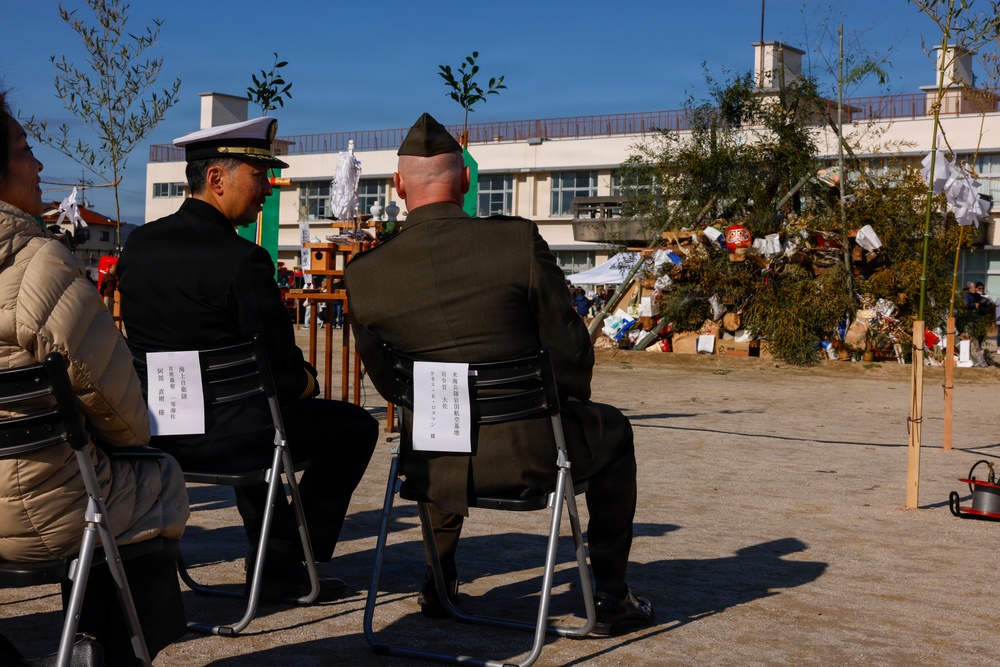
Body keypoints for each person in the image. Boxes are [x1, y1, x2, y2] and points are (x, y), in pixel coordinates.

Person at [346, 112, 653, 636]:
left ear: (397, 186)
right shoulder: (515, 243)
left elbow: (387, 381)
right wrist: (561, 404)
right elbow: (568, 345)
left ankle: (438, 582)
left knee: (433, 422)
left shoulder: (366, 274)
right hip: (532, 453)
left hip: (433, 462)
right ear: (466, 180)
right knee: (615, 429)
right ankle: (608, 594)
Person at [117, 116, 378, 601]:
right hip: (235, 436)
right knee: (350, 426)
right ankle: (285, 557)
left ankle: (275, 561)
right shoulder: (243, 259)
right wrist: (307, 382)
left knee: (254, 415)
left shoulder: (138, 244)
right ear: (217, 179)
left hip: (159, 432)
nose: (267, 192)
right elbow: (277, 366)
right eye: (258, 177)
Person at [0, 89, 189, 661]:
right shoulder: (39, 267)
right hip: (29, 509)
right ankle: (108, 649)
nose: (38, 165)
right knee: (153, 475)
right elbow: (126, 417)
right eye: (25, 149)